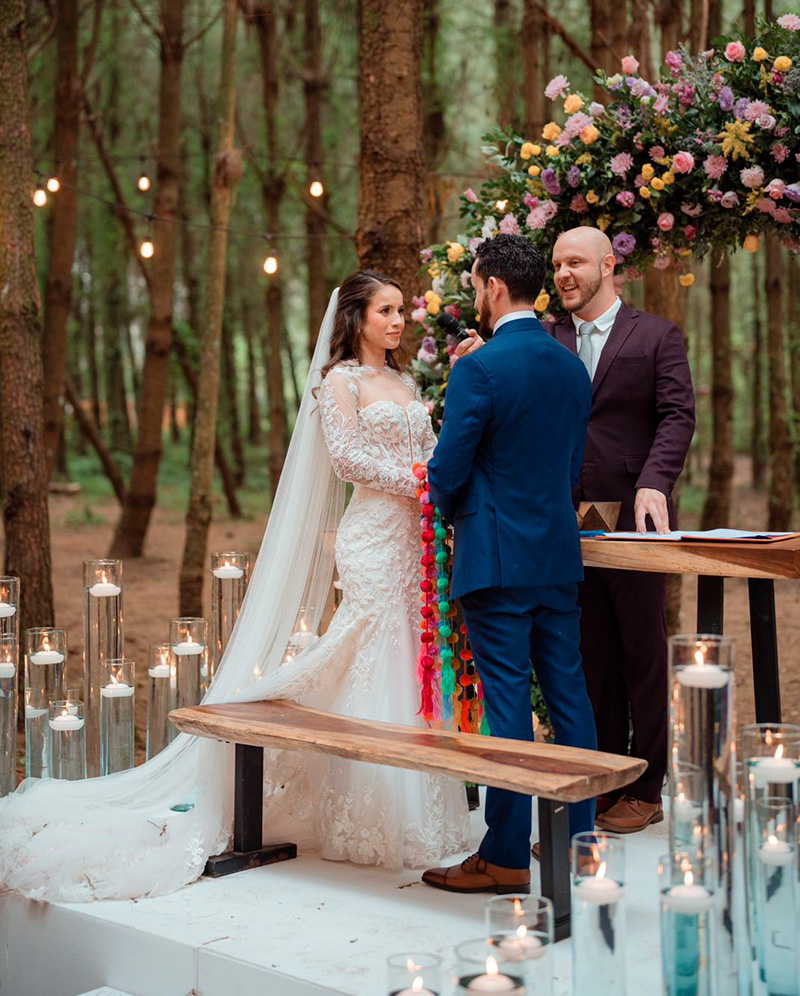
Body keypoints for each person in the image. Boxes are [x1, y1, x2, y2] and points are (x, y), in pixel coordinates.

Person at [0, 271, 469, 902]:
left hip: (416, 540)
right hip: (372, 538)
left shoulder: (407, 382)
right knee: (372, 651)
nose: (398, 321)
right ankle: (372, 813)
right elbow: (347, 460)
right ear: (355, 318)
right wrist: (419, 480)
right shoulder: (340, 382)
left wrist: (435, 478)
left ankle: (422, 808)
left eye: (399, 312)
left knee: (409, 658)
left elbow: (433, 446)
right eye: (385, 311)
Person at [420, 234, 597, 896]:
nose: (474, 295)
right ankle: (584, 847)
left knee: (507, 711)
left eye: (474, 285)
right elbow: (572, 470)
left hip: (495, 560)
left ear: (494, 286)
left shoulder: (479, 368)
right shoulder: (571, 367)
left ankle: (504, 857)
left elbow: (448, 471)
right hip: (556, 555)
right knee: (570, 700)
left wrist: (453, 502)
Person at [548, 227, 695, 833]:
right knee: (591, 655)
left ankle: (650, 785)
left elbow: (677, 414)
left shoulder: (656, 335)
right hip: (567, 518)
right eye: (557, 264)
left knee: (642, 652)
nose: (563, 274)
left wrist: (655, 483)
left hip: (635, 513)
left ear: (609, 265)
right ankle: (609, 780)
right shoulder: (548, 338)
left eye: (575, 262)